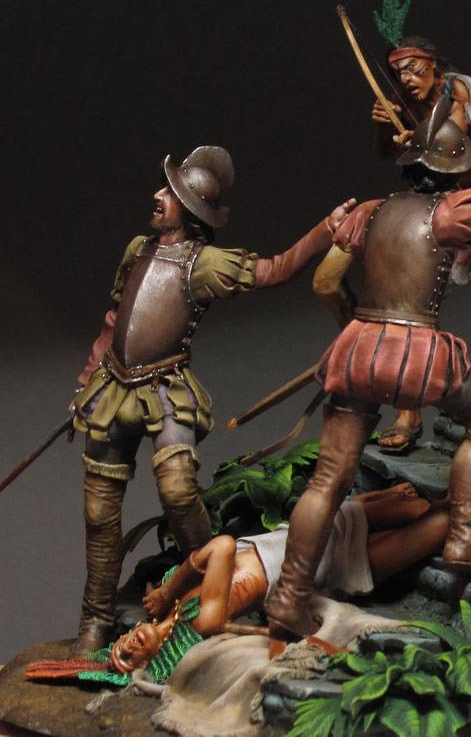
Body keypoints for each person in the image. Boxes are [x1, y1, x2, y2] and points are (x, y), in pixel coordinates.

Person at [267, 95, 471, 640]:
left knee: (328, 480)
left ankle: (288, 597)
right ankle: (464, 538)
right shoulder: (455, 212)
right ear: (454, 172)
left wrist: (359, 329)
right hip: (416, 356)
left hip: (358, 351)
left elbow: (325, 280)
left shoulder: (369, 211)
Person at [70, 145, 355, 654]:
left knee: (179, 490)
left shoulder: (203, 264)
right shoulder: (138, 249)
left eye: (170, 193)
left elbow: (274, 270)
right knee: (98, 511)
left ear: (190, 209)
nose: (158, 196)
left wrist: (323, 231)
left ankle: (209, 586)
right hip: (112, 388)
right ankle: (95, 617)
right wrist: (89, 376)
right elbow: (115, 320)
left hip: (165, 389)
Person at [27, 463, 471, 685]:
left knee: (416, 504)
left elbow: (207, 562)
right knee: (435, 526)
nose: (128, 645)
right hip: (321, 561)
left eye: (119, 646)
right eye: (128, 659)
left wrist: (166, 594)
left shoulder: (178, 608)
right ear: (147, 661)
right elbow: (220, 547)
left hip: (309, 531)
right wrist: (173, 588)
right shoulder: (201, 620)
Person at [314, 37, 471, 456]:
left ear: (433, 64)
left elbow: (457, 134)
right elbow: (384, 153)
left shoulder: (457, 91)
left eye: (414, 69)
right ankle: (406, 406)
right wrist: (385, 126)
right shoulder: (399, 102)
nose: (407, 79)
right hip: (428, 203)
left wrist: (418, 137)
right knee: (403, 293)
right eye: (400, 72)